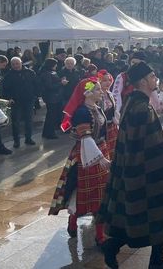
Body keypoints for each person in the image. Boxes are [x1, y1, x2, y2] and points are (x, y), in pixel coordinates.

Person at [98, 62, 163, 269]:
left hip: (131, 167)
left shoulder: (131, 102)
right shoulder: (143, 108)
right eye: (152, 76)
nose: (155, 79)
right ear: (142, 81)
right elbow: (155, 146)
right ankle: (155, 261)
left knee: (134, 215)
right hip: (148, 171)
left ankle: (119, 248)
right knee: (154, 214)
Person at [48, 77, 110, 246]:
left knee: (101, 193)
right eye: (97, 90)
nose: (101, 91)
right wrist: (101, 158)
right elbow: (86, 137)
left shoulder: (97, 107)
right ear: (87, 93)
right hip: (86, 154)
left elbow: (102, 131)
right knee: (83, 191)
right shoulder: (82, 112)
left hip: (99, 149)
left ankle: (98, 233)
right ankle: (75, 223)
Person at [1, 57, 39, 147]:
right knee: (15, 122)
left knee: (29, 120)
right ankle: (16, 140)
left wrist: (35, 96)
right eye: (13, 64)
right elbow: (5, 89)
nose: (16, 66)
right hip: (15, 101)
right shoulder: (8, 75)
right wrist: (8, 98)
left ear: (21, 63)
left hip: (29, 100)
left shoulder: (30, 72)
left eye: (17, 63)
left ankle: (28, 138)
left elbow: (36, 84)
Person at [38, 58, 65, 139]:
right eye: (55, 64)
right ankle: (50, 132)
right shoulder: (46, 73)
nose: (56, 66)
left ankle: (47, 132)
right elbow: (49, 86)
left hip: (55, 97)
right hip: (51, 97)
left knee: (51, 115)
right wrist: (61, 83)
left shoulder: (51, 72)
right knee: (51, 115)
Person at [97, 70, 119, 158]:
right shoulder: (97, 95)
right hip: (101, 128)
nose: (108, 82)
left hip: (112, 127)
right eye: (104, 80)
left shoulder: (110, 94)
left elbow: (113, 110)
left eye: (109, 80)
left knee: (114, 150)